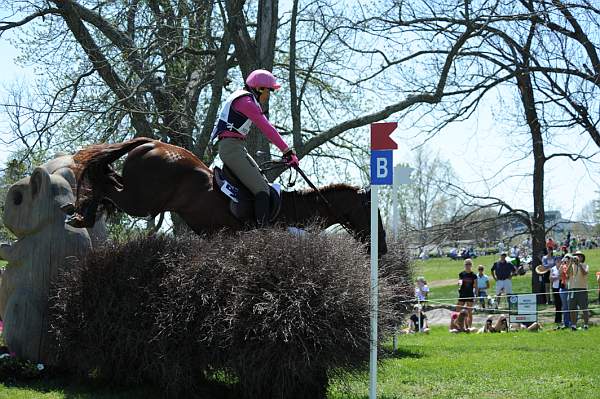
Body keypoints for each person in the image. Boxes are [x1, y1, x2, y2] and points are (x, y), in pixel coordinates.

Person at [211, 69, 299, 226]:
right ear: (260, 89)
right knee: (261, 189)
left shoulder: (243, 98)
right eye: (269, 91)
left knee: (263, 184)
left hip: (236, 147)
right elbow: (266, 127)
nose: (268, 96)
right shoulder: (247, 102)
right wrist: (287, 151)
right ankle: (262, 234)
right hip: (232, 149)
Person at [568, 251, 589, 330]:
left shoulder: (585, 265)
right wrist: (570, 263)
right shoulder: (571, 265)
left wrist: (579, 264)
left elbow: (585, 273)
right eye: (576, 256)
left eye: (579, 256)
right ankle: (573, 325)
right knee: (572, 308)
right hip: (572, 289)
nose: (577, 257)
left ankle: (586, 325)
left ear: (582, 258)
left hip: (582, 289)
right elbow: (567, 273)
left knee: (584, 308)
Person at [457, 259, 477, 328]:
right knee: (458, 310)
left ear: (471, 265)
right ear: (464, 265)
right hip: (462, 294)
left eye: (469, 264)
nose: (468, 266)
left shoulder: (474, 275)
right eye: (466, 264)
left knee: (469, 312)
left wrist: (476, 296)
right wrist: (459, 287)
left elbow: (475, 286)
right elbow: (459, 283)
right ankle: (458, 325)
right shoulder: (461, 274)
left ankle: (469, 327)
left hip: (470, 294)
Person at [559, 254, 573, 329]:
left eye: (569, 258)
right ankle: (566, 323)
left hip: (572, 288)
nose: (567, 259)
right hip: (564, 288)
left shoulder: (574, 267)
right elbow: (564, 275)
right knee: (565, 307)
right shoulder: (563, 266)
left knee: (572, 306)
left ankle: (572, 322)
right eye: (566, 258)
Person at [550, 258, 563, 328]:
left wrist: (556, 277)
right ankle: (558, 320)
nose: (558, 262)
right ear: (555, 262)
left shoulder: (563, 267)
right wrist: (558, 277)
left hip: (562, 287)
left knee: (563, 303)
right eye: (557, 261)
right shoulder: (553, 269)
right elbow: (550, 278)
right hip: (555, 288)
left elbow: (562, 277)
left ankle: (565, 319)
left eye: (559, 261)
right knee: (557, 304)